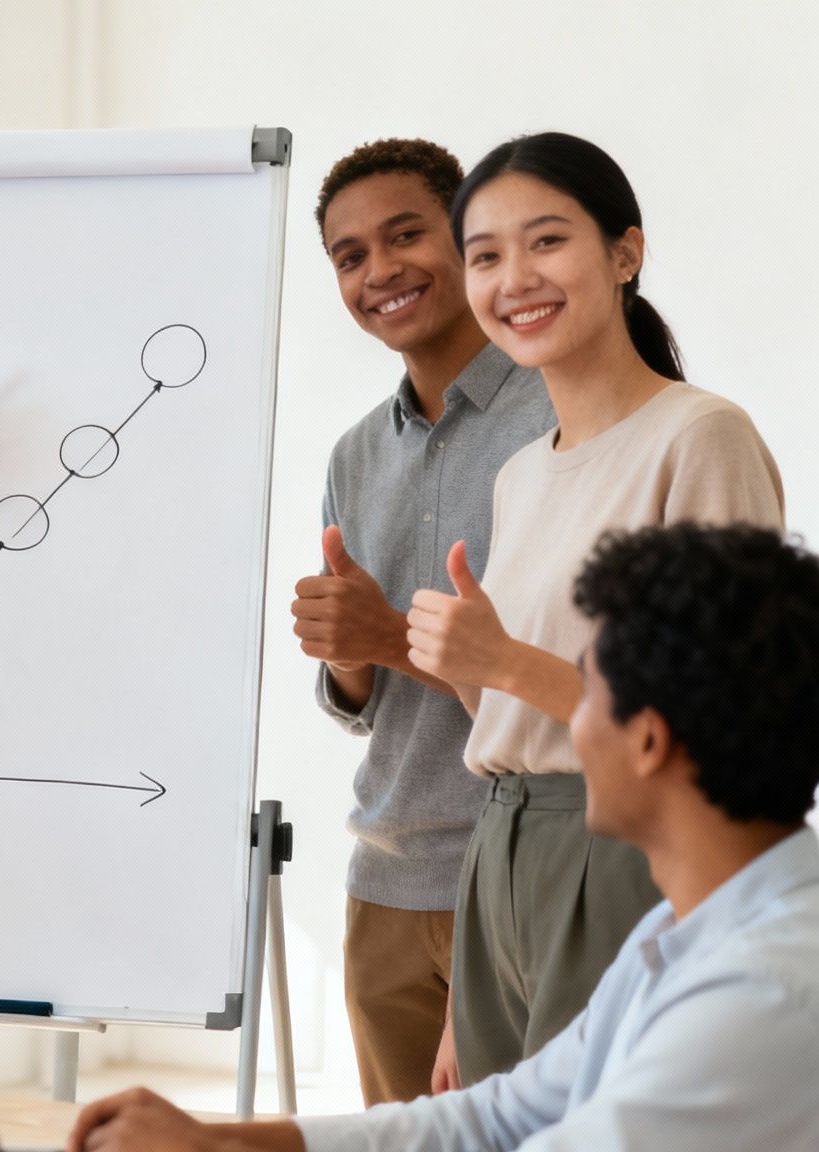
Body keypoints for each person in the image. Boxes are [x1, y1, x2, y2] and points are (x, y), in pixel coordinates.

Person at [69, 522, 819, 1151]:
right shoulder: (685, 931)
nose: (563, 722)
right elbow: (503, 1114)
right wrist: (222, 1141)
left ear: (648, 742)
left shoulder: (763, 990)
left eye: (586, 690)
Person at [401, 132, 783, 1085]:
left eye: (546, 242)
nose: (513, 278)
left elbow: (719, 724)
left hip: (626, 849)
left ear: (625, 253)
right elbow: (519, 724)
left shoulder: (700, 437)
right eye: (485, 255)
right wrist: (467, 987)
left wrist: (499, 663)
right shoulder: (522, 473)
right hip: (503, 846)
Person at [291, 138, 552, 1104]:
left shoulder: (557, 415)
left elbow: (561, 690)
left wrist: (382, 633)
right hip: (387, 884)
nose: (379, 271)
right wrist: (346, 651)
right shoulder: (356, 454)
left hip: (524, 874)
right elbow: (363, 706)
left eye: (407, 234)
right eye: (350, 256)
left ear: (468, 238)